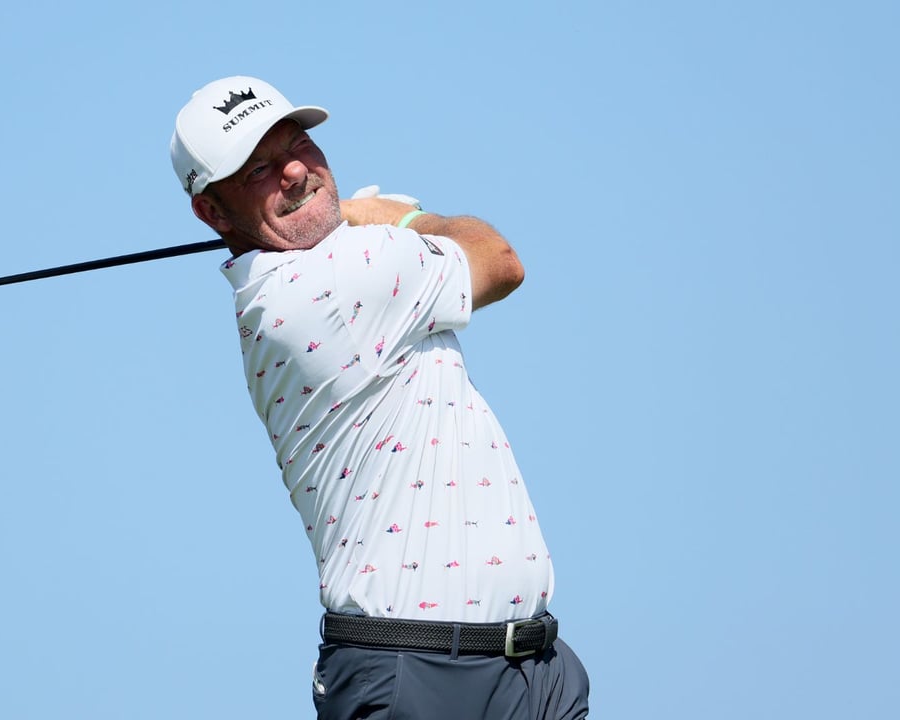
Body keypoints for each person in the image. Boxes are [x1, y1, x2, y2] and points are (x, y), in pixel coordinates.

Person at [171, 76, 589, 720]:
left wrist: (362, 227)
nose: (294, 170)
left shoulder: (346, 263)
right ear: (213, 213)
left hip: (535, 667)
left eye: (299, 143)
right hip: (413, 676)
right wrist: (407, 218)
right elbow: (500, 261)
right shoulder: (326, 287)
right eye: (258, 168)